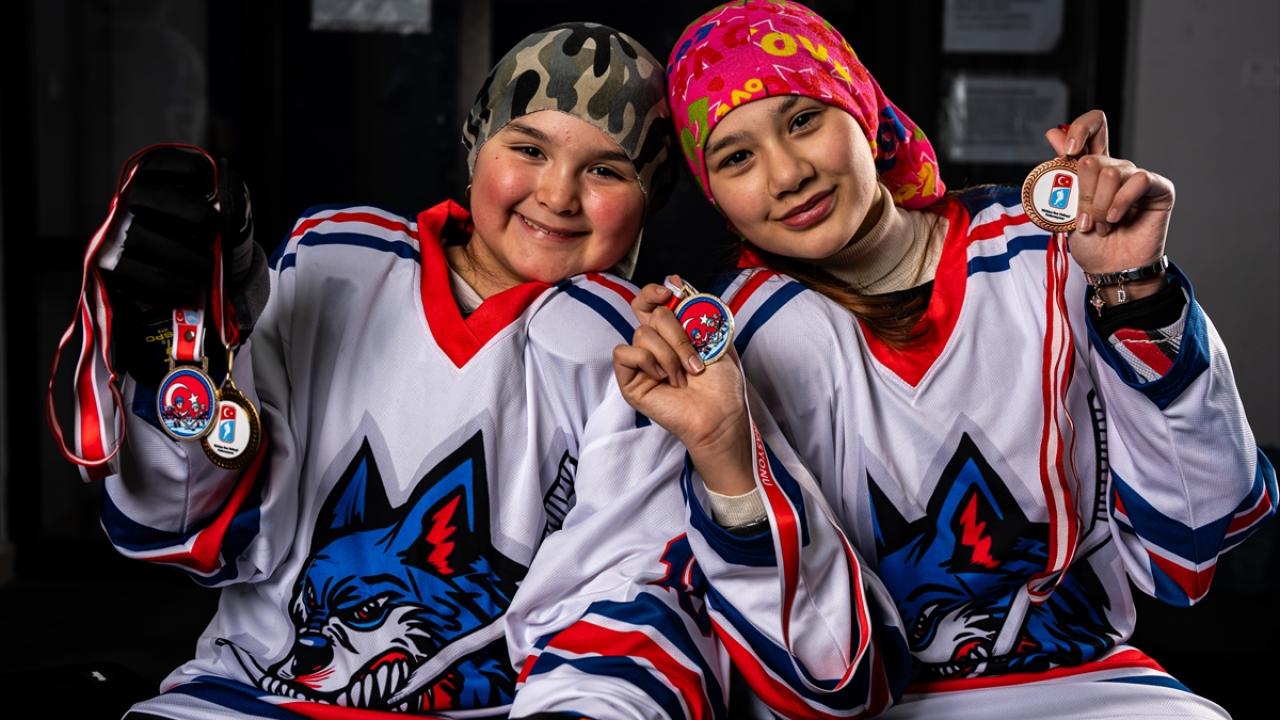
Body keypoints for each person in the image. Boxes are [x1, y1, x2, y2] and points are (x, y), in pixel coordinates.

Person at [51, 23, 736, 719]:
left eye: (606, 171)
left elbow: (628, 594)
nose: (558, 195)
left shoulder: (634, 347)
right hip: (242, 700)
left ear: (650, 198)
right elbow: (197, 527)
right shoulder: (334, 256)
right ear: (476, 142)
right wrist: (177, 358)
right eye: (529, 149)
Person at [614, 1, 1275, 718]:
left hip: (1087, 687)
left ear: (864, 112)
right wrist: (724, 452)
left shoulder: (1048, 254)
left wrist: (1134, 292)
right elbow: (824, 678)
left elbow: (1192, 546)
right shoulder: (732, 340)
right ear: (714, 194)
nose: (787, 174)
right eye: (736, 157)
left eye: (803, 120)